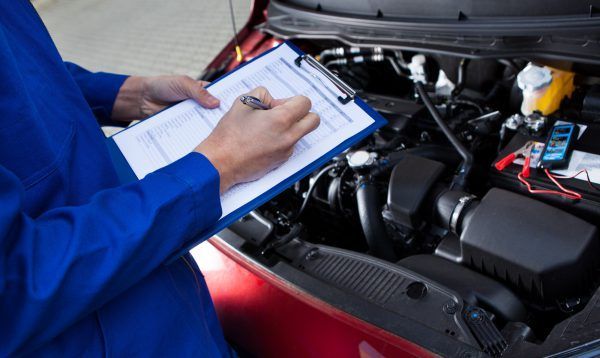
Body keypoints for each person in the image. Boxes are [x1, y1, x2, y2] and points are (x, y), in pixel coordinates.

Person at [0, 2, 319, 357]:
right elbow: (11, 287)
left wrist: (125, 94)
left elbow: (19, 68)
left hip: (150, 276)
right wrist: (219, 166)